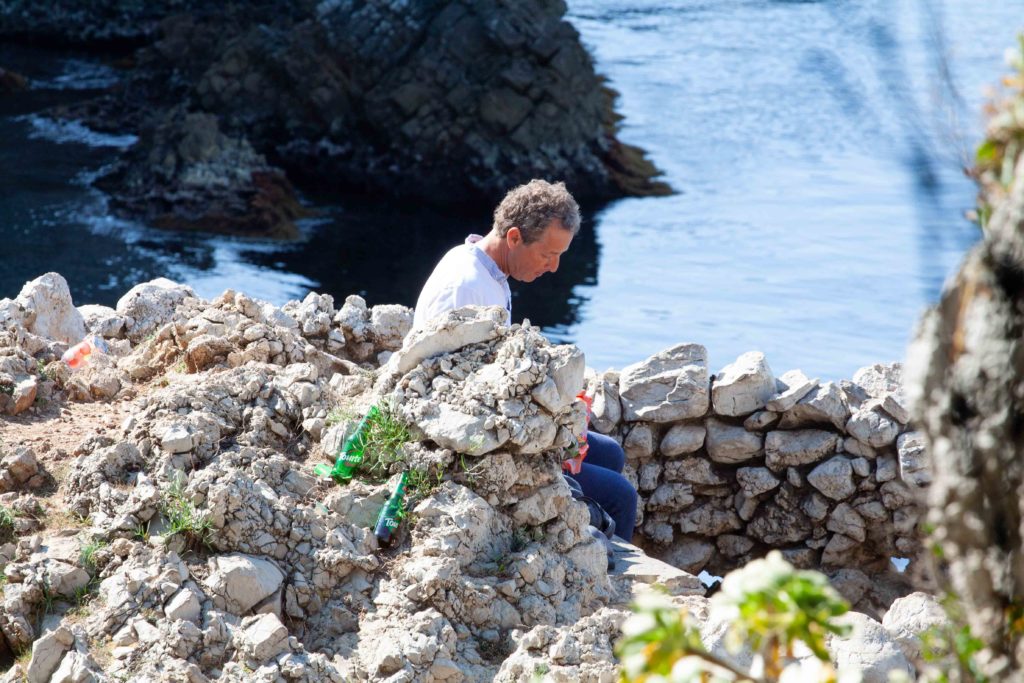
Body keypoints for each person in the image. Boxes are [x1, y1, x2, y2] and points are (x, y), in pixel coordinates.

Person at [413, 179, 638, 541]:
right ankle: (600, 581)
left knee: (609, 453)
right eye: (548, 255)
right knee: (620, 496)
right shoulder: (467, 290)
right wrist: (546, 440)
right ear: (514, 237)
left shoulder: (487, 272)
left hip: (499, 426)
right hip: (476, 451)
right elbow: (454, 398)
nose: (554, 268)